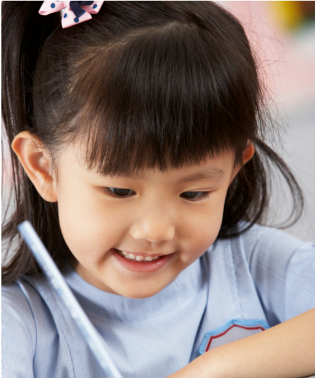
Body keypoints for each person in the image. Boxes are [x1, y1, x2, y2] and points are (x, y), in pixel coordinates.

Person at [2, 2, 315, 377]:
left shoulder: (253, 266)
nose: (156, 231)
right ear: (43, 167)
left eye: (194, 193)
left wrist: (213, 370)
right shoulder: (19, 323)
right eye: (119, 190)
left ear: (233, 170)